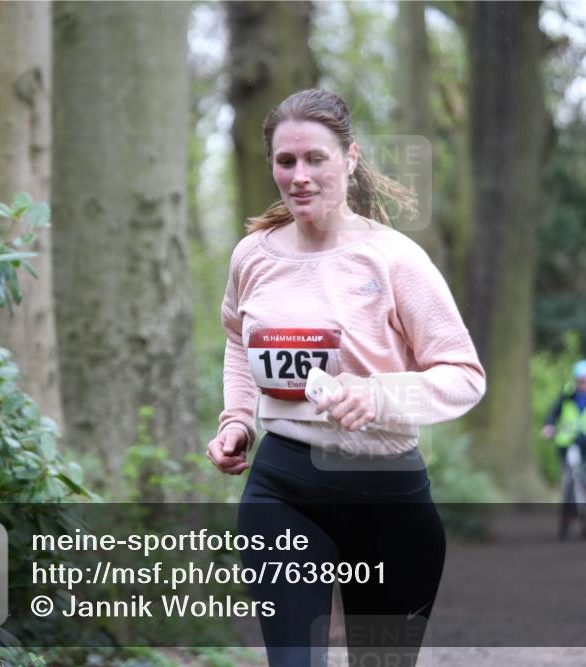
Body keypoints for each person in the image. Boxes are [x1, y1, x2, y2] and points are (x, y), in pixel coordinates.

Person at [205, 88, 486, 667]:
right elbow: (238, 339)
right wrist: (237, 420)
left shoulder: (395, 259)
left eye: (316, 159)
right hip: (283, 487)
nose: (300, 176)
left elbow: (464, 375)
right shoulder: (252, 256)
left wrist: (378, 394)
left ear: (350, 159)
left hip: (386, 491)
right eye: (286, 161)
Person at [540, 359, 586, 501]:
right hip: (570, 438)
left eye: (585, 380)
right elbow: (555, 410)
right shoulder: (568, 392)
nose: (582, 384)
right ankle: (568, 487)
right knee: (566, 462)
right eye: (580, 381)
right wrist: (549, 425)